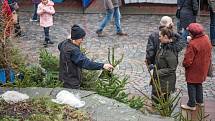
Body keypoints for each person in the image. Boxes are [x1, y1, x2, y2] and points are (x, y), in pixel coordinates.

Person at [58, 24, 114, 89]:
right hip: (71, 82)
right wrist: (103, 65)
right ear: (75, 38)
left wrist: (69, 39)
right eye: (81, 38)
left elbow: (59, 46)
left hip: (64, 77)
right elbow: (86, 63)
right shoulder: (73, 50)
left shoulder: (65, 43)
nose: (82, 40)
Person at [181, 23, 212, 111]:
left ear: (192, 33)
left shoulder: (193, 44)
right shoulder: (206, 38)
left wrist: (184, 64)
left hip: (194, 69)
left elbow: (188, 60)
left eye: (189, 32)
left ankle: (191, 104)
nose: (189, 33)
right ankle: (200, 101)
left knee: (191, 84)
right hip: (203, 67)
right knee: (199, 83)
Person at [150, 27, 179, 105]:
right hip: (160, 80)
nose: (159, 38)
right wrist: (153, 66)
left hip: (165, 82)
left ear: (165, 37)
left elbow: (172, 68)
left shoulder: (170, 51)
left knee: (164, 103)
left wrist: (158, 72)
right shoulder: (163, 46)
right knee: (156, 102)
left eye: (160, 36)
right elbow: (160, 60)